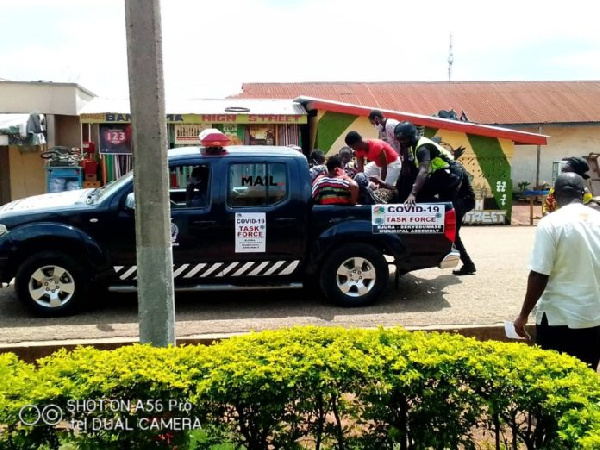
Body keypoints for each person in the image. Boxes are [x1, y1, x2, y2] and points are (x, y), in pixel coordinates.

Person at [513, 173, 600, 371]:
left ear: (555, 194)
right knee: (587, 378)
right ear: (583, 193)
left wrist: (523, 315)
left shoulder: (551, 223)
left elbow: (539, 274)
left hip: (559, 318)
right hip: (595, 317)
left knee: (556, 379)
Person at [393, 121, 476, 275]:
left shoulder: (422, 147)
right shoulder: (414, 147)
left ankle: (458, 260)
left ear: (411, 136)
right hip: (449, 181)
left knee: (449, 229)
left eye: (404, 139)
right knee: (451, 230)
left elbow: (423, 171)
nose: (402, 143)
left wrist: (413, 194)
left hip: (453, 183)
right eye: (400, 140)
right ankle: (468, 264)